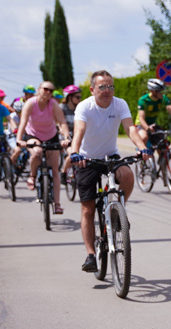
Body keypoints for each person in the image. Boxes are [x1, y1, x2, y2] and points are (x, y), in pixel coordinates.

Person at [69, 70, 149, 273]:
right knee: (87, 208)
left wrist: (141, 148)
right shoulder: (84, 106)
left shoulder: (119, 104)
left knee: (128, 175)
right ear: (92, 89)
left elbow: (131, 129)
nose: (107, 91)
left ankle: (118, 213)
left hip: (110, 155)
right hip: (86, 158)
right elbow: (79, 130)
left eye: (110, 86)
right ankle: (90, 255)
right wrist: (75, 152)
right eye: (102, 87)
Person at [13, 81, 71, 213]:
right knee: (36, 150)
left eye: (51, 90)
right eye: (46, 89)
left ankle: (57, 204)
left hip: (51, 136)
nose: (48, 92)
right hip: (33, 135)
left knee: (55, 170)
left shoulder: (53, 104)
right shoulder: (31, 103)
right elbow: (23, 122)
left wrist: (66, 137)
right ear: (39, 89)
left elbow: (62, 122)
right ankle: (32, 176)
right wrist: (19, 139)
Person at [135, 78, 171, 146]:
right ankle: (142, 153)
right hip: (141, 125)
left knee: (163, 143)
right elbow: (141, 119)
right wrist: (148, 129)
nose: (162, 93)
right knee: (144, 137)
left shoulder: (163, 98)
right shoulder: (143, 100)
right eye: (160, 91)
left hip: (153, 124)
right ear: (153, 91)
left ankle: (163, 156)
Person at [60, 85, 83, 183]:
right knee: (71, 155)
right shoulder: (62, 108)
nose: (79, 99)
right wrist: (66, 136)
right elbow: (60, 124)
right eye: (77, 97)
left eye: (80, 97)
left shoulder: (80, 107)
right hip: (65, 137)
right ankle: (63, 173)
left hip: (77, 136)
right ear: (69, 97)